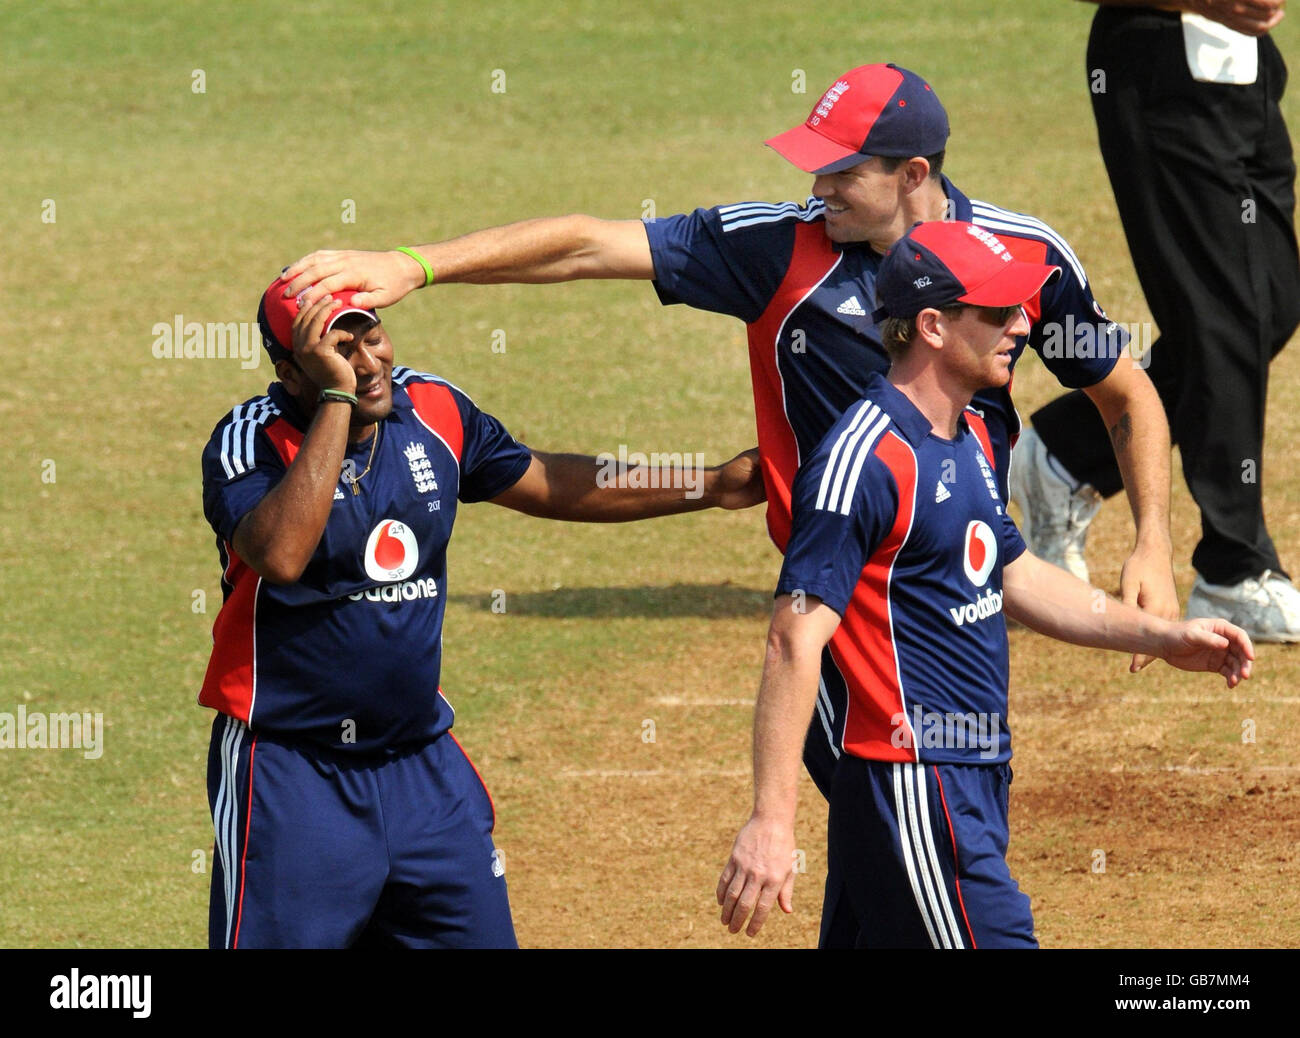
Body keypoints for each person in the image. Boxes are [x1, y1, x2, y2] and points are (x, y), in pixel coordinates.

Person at [278, 63, 1178, 801]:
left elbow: (1127, 398)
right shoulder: (773, 248)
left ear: (912, 175)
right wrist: (418, 265)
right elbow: (589, 245)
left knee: (912, 847)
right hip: (840, 596)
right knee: (922, 833)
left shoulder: (1022, 259)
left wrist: (1152, 545)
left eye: (841, 171)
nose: (815, 187)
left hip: (974, 581)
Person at [714, 220, 1254, 948]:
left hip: (973, 775)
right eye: (998, 313)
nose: (1022, 325)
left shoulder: (967, 436)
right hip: (915, 785)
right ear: (932, 326)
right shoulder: (865, 462)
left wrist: (1162, 634)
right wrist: (771, 821)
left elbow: (1016, 574)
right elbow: (792, 638)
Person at [198, 274, 762, 948]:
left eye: (371, 335)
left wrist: (708, 485)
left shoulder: (433, 409)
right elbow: (281, 554)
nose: (369, 360)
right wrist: (338, 404)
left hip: (420, 768)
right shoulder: (249, 440)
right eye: (338, 350)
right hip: (293, 774)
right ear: (292, 372)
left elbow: (550, 481)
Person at [1017, 0, 1300, 640]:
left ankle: (1068, 450)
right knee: (1227, 319)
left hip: (1247, 67)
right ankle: (1232, 571)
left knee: (1270, 306)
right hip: (1158, 62)